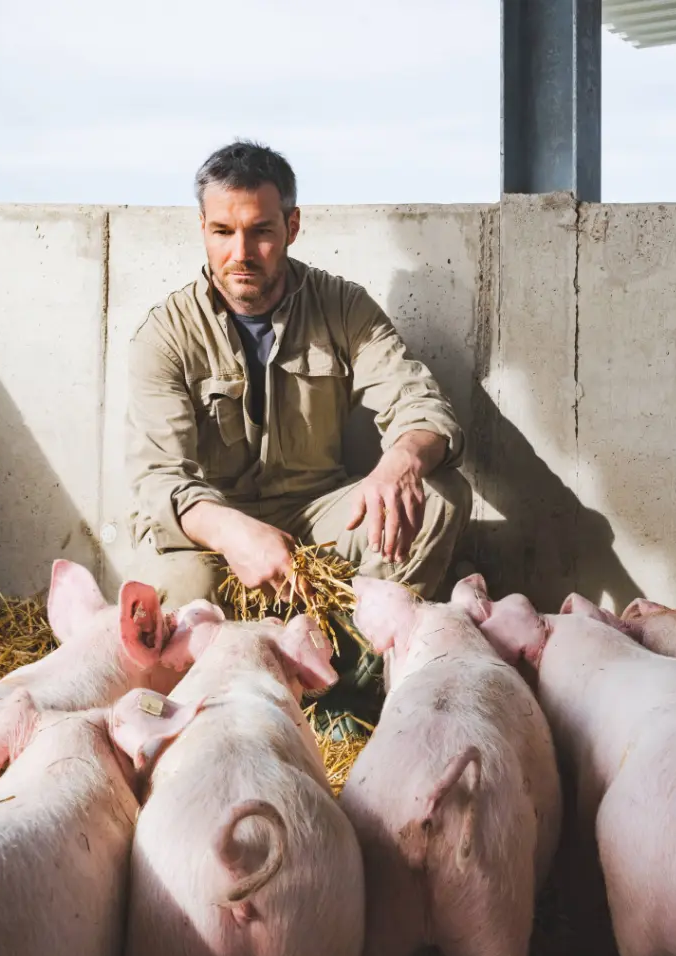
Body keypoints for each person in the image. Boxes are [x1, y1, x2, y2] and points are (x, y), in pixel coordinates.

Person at [124, 139, 471, 620]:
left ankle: (356, 667)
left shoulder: (345, 308)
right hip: (214, 533)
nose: (240, 253)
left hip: (319, 520)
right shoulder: (164, 334)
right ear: (202, 227)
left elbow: (422, 404)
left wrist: (402, 462)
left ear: (292, 226)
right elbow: (158, 477)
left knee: (440, 494)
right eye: (222, 231)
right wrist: (235, 533)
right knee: (179, 591)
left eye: (260, 231)